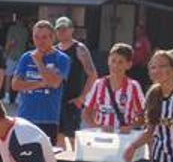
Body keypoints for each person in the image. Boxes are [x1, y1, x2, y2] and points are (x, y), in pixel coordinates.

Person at [11, 20, 71, 142]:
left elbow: (54, 83)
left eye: (44, 37)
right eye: (36, 37)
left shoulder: (62, 58)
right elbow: (15, 85)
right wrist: (41, 83)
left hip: (48, 119)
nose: (40, 41)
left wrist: (39, 61)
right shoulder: (26, 57)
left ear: (52, 38)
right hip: (25, 118)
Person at [54, 17, 97, 150]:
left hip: (72, 101)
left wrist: (82, 98)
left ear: (72, 30)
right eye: (59, 29)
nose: (62, 32)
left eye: (65, 29)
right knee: (57, 137)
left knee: (73, 138)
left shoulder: (79, 48)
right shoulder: (53, 50)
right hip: (56, 101)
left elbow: (93, 74)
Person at [82, 43, 146, 132]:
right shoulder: (98, 84)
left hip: (124, 139)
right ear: (108, 61)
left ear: (128, 65)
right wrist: (98, 127)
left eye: (120, 62)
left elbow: (142, 116)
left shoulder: (134, 86)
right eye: (113, 61)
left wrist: (130, 127)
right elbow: (86, 113)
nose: (115, 66)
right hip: (103, 138)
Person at [3, 14, 30, 102]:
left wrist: (5, 53)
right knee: (20, 76)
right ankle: (18, 97)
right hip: (22, 54)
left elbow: (10, 42)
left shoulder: (12, 29)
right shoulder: (26, 30)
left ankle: (7, 96)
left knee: (8, 76)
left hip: (12, 55)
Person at [131, 23, 153, 88]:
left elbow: (148, 53)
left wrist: (145, 62)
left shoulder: (145, 41)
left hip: (141, 65)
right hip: (134, 65)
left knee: (140, 82)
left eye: (138, 30)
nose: (137, 32)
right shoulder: (136, 40)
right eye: (136, 30)